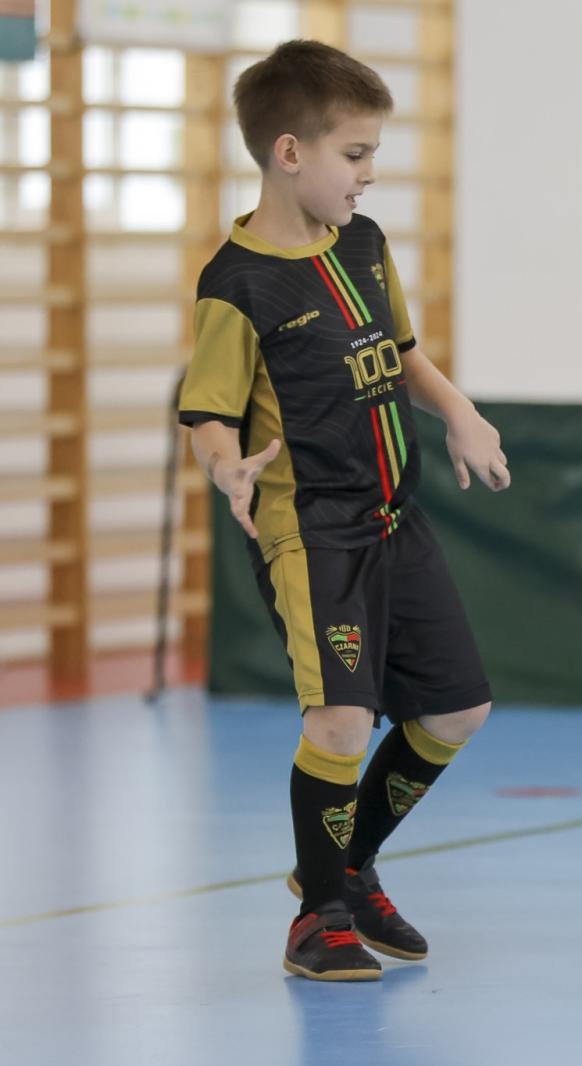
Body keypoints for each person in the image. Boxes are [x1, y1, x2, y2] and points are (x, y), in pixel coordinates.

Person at [178, 40, 510, 981]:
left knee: (457, 709)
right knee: (338, 725)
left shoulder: (364, 246)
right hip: (310, 529)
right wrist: (225, 467)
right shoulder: (236, 286)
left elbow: (397, 348)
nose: (371, 173)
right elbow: (208, 408)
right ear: (290, 154)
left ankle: (347, 864)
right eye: (355, 154)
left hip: (397, 520)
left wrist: (460, 414)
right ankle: (316, 917)